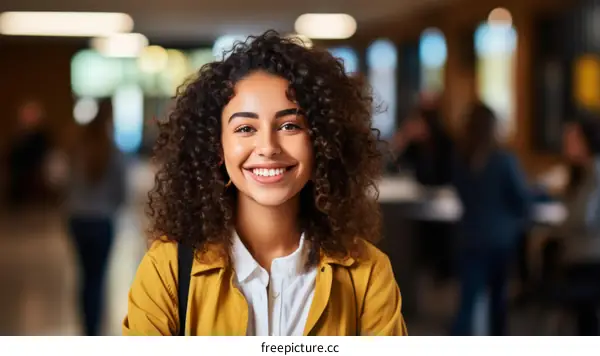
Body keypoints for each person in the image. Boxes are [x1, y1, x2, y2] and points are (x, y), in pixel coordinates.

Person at [122, 31, 408, 336]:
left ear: (321, 143)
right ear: (217, 148)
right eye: (246, 128)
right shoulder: (167, 270)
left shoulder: (368, 274)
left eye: (289, 126)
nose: (268, 147)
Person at [450, 102, 531, 336]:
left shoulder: (461, 159)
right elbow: (521, 199)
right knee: (498, 303)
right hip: (500, 240)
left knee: (467, 303)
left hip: (470, 236)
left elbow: (461, 193)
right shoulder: (503, 160)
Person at [66, 98, 127, 336]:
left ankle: (86, 328)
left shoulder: (75, 149)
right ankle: (94, 332)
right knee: (98, 277)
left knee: (84, 275)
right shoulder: (113, 151)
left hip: (77, 219)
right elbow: (121, 193)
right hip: (102, 221)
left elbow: (65, 185)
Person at [541, 116, 600, 335]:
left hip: (590, 259)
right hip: (579, 256)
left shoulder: (595, 171)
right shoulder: (578, 172)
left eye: (572, 139)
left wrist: (560, 226)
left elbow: (582, 216)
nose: (566, 144)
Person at [7, 100, 51, 208]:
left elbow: (45, 157)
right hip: (19, 185)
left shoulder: (42, 138)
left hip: (37, 182)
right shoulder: (17, 138)